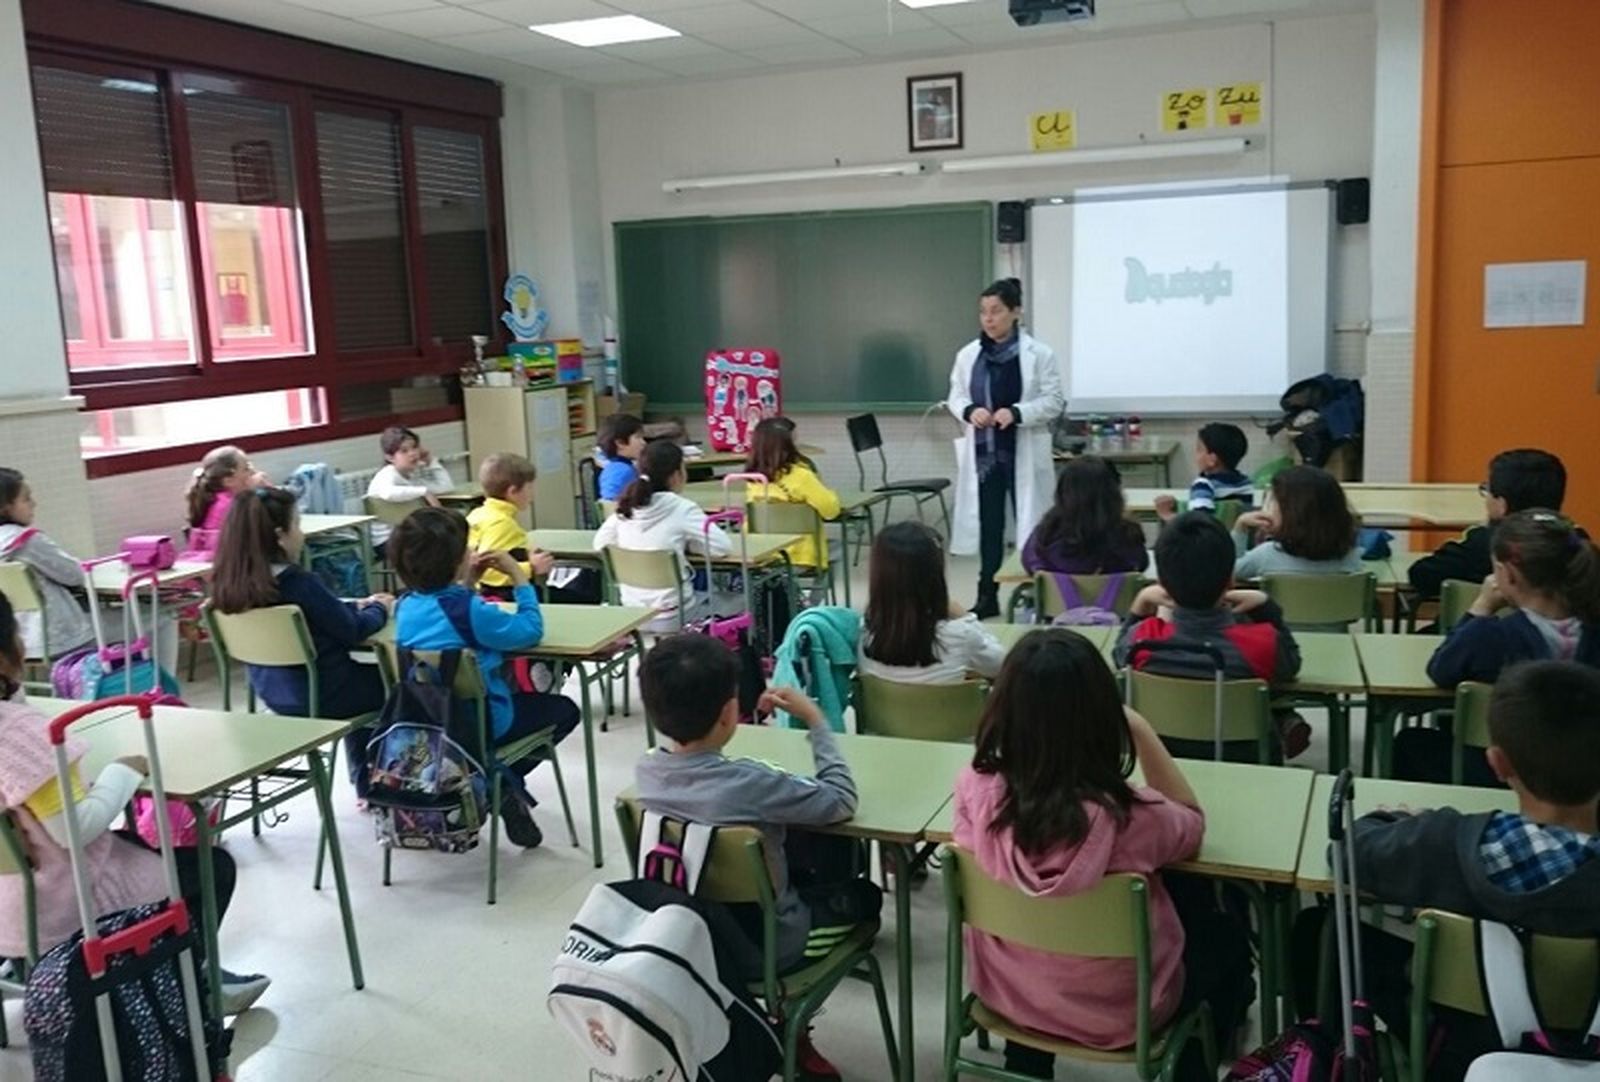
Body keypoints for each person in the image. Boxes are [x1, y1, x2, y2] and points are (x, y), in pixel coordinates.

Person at [953, 628, 1253, 1079]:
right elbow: (1191, 824)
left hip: (1009, 994)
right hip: (1124, 1013)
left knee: (1034, 925)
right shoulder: (1133, 816)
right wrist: (1140, 729)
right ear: (1101, 715)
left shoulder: (974, 791)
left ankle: (1026, 1060)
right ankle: (1192, 1061)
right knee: (1223, 932)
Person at [1303, 661, 1600, 1080]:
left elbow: (1347, 853)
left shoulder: (1443, 842)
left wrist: (1393, 819)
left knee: (1323, 929)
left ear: (1497, 764)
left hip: (1459, 1052)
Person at [0, 593, 270, 1013]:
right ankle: (187, 986)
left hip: (9, 913)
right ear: (6, 655)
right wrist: (123, 771)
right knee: (211, 867)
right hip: (62, 906)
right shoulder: (23, 737)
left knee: (136, 844)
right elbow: (74, 830)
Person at [634, 632, 881, 1080]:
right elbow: (841, 800)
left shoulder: (645, 772)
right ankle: (791, 1024)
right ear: (731, 712)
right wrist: (817, 722)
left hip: (688, 937)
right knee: (867, 898)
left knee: (804, 851)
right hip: (767, 948)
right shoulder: (749, 784)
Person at [391, 507, 580, 849]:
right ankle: (498, 784)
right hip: (482, 724)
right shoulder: (470, 610)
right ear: (455, 560)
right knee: (565, 709)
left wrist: (466, 584)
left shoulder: (404, 607)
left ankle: (494, 782)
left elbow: (447, 615)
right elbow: (530, 631)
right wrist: (520, 579)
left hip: (427, 724)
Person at [1391, 510, 1600, 785]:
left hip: (1503, 775)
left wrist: (1482, 606)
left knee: (1410, 743)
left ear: (1507, 575)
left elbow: (1440, 670)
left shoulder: (1490, 635)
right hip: (1587, 774)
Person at [210, 487, 391, 776]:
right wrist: (379, 608)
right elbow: (353, 630)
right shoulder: (298, 583)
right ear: (281, 535)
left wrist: (351, 607)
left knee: (364, 679)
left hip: (275, 694)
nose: (302, 534)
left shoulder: (228, 589)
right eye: (297, 524)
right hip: (326, 695)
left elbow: (328, 616)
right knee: (394, 679)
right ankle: (380, 782)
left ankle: (366, 782)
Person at [1114, 511, 1304, 758]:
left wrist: (1140, 605)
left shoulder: (1142, 641)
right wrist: (1266, 607)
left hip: (1163, 764)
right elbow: (1291, 663)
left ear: (1161, 582)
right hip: (1244, 766)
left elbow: (1118, 656)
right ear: (1231, 581)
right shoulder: (1261, 643)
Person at [947, 278, 1065, 619]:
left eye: (996, 311)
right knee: (990, 526)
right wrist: (970, 411)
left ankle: (1038, 595)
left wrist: (1016, 413)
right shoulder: (969, 355)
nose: (988, 318)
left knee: (1034, 527)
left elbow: (1053, 401)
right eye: (983, 312)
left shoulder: (1038, 355)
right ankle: (987, 595)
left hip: (1022, 449)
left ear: (1016, 312)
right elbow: (956, 395)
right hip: (986, 457)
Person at [593, 440, 731, 629]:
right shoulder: (682, 508)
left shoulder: (627, 505)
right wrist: (690, 544)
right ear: (676, 476)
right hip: (675, 613)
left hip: (632, 614)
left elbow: (600, 543)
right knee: (740, 601)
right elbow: (722, 548)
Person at [1408, 448, 1567, 601]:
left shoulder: (1483, 542)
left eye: (1486, 489)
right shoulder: (1576, 541)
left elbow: (1420, 575)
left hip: (1479, 625)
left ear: (1501, 505)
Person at [858, 521, 1004, 685]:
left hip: (881, 711)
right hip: (951, 711)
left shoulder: (864, 630)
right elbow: (1001, 665)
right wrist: (967, 617)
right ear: (934, 576)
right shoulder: (961, 635)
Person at [0, 467, 95, 661]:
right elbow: (75, 575)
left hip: (16, 639)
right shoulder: (26, 541)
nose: (34, 504)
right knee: (160, 616)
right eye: (26, 499)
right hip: (59, 637)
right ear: (5, 507)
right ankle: (155, 689)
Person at [1020, 456, 1149, 576]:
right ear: (1113, 494)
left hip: (1060, 600)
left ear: (1062, 492)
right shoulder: (1127, 538)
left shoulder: (1045, 537)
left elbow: (1030, 565)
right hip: (1118, 600)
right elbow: (1141, 565)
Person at [1231, 465, 1363, 579]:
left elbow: (1228, 571)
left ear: (1290, 512)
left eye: (1272, 501)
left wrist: (1240, 527)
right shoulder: (1352, 559)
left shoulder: (1265, 556)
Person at [744, 417, 841, 572]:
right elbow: (831, 511)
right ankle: (813, 596)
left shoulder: (751, 480)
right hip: (801, 557)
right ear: (788, 446)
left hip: (763, 555)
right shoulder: (801, 476)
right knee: (838, 547)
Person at [466, 452, 555, 602]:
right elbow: (487, 569)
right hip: (502, 598)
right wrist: (531, 567)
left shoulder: (479, 513)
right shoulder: (501, 523)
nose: (532, 495)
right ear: (512, 491)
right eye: (529, 488)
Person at [365, 425, 455, 552]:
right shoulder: (387, 473)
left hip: (410, 536)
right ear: (390, 457)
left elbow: (446, 486)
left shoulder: (411, 478)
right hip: (387, 541)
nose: (412, 453)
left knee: (446, 538)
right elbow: (387, 493)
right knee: (440, 541)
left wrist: (431, 461)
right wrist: (423, 492)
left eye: (414, 447)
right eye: (404, 451)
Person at [1155, 423, 1252, 523]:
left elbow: (1198, 523)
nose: (1195, 454)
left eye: (1199, 449)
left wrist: (1168, 515)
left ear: (1212, 460)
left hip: (1210, 537)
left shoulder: (1203, 485)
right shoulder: (1246, 484)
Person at [184, 444, 267, 558]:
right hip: (225, 567)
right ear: (229, 481)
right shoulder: (231, 505)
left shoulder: (217, 499)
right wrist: (257, 491)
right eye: (246, 468)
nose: (253, 472)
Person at [595, 413, 646, 502]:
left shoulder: (622, 466)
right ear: (620, 443)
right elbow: (609, 503)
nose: (643, 443)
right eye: (638, 437)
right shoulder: (621, 470)